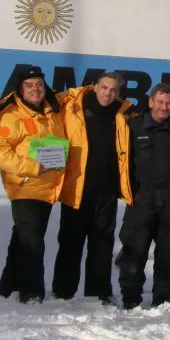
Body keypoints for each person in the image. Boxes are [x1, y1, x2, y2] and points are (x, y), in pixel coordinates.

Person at [52, 72, 134, 304]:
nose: (108, 93)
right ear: (95, 86)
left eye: (113, 90)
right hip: (77, 187)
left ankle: (99, 292)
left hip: (107, 190)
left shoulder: (123, 113)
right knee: (70, 243)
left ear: (119, 93)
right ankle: (63, 291)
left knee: (102, 244)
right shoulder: (72, 106)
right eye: (104, 87)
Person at [0, 66, 66, 303]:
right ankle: (32, 292)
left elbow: (72, 95)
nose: (35, 89)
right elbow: (0, 152)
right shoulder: (11, 115)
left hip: (46, 189)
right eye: (30, 85)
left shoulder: (52, 111)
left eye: (39, 85)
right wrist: (32, 168)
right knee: (33, 241)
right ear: (20, 88)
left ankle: (8, 285)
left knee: (23, 238)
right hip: (24, 187)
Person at [117, 83, 170, 310]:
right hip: (141, 198)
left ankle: (164, 299)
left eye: (168, 103)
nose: (164, 107)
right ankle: (131, 297)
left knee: (168, 251)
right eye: (160, 102)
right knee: (134, 250)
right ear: (150, 102)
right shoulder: (134, 126)